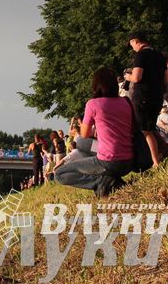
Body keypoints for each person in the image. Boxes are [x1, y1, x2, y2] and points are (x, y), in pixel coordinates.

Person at [55, 67, 134, 197]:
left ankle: (102, 181)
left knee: (59, 174)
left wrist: (93, 127)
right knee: (82, 143)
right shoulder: (126, 101)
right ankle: (110, 178)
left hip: (110, 162)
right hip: (129, 161)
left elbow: (84, 134)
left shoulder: (93, 104)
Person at [125, 31, 166, 166]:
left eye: (131, 44)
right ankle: (163, 150)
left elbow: (137, 77)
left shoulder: (140, 55)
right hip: (158, 95)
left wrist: (128, 77)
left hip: (143, 95)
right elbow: (166, 78)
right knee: (151, 127)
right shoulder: (159, 55)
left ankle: (155, 161)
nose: (132, 48)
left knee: (145, 130)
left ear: (135, 41)